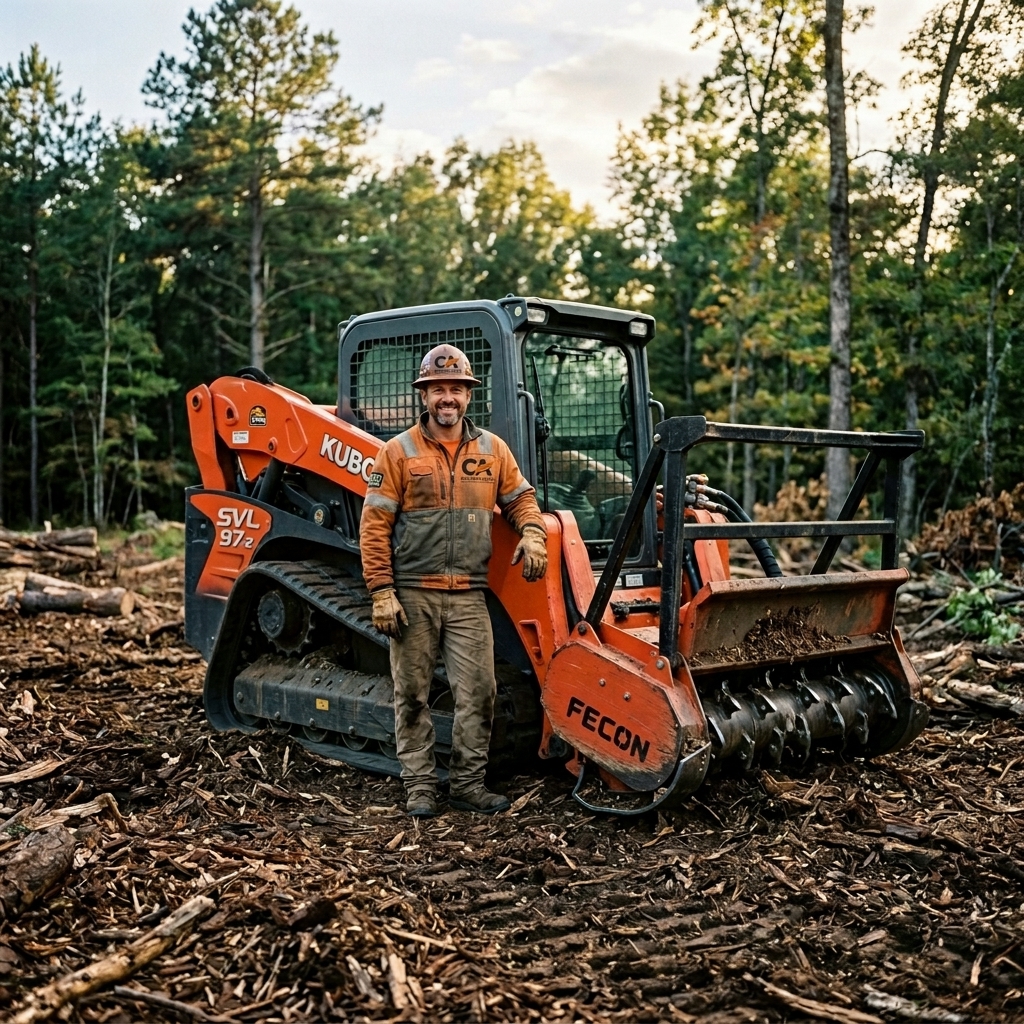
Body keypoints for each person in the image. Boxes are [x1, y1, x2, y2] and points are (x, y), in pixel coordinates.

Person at [359, 344, 548, 817]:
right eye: (438, 389)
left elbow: (521, 499)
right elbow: (374, 525)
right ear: (424, 395)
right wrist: (381, 591)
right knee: (411, 694)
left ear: (468, 396)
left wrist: (532, 533)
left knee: (479, 694)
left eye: (457, 389)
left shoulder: (493, 450)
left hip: (468, 595)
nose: (448, 398)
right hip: (413, 593)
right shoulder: (397, 452)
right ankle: (420, 787)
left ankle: (466, 784)